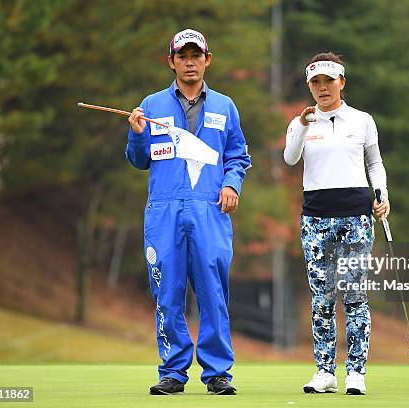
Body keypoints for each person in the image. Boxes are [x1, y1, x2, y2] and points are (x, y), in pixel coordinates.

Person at [125, 28, 251, 396]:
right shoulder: (150, 105)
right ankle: (173, 371)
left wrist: (232, 185)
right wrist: (135, 134)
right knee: (167, 291)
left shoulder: (226, 106)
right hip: (163, 211)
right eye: (183, 56)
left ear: (207, 60)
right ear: (172, 62)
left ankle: (217, 373)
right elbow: (138, 160)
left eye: (197, 55)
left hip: (210, 209)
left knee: (213, 291)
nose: (190, 61)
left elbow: (238, 156)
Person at [283, 52, 390, 395]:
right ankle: (325, 371)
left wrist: (382, 194)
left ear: (342, 82)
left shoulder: (362, 120)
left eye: (329, 81)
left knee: (355, 295)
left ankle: (356, 372)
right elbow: (290, 158)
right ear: (309, 86)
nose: (323, 88)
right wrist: (301, 125)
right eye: (316, 82)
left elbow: (374, 163)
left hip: (356, 217)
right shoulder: (301, 122)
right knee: (322, 297)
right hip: (315, 219)